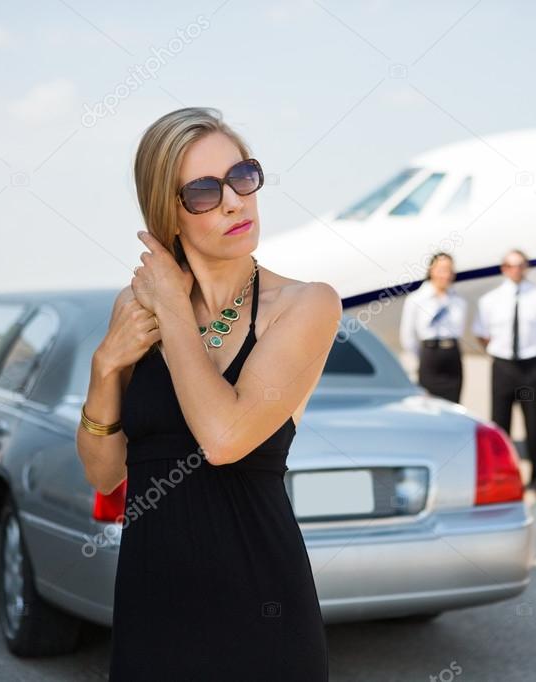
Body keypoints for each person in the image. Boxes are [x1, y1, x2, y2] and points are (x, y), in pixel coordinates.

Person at [75, 107, 341, 681]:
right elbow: (104, 475)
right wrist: (105, 365)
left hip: (262, 607)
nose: (233, 201)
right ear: (168, 211)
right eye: (203, 190)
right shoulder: (135, 308)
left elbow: (223, 439)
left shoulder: (305, 305)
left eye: (242, 176)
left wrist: (171, 306)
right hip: (152, 602)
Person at [473, 249, 536, 495]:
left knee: (534, 425)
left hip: (530, 366)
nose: (516, 270)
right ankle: (501, 477)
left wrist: (532, 350)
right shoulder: (490, 300)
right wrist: (499, 353)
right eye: (511, 266)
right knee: (500, 427)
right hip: (502, 366)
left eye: (521, 265)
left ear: (526, 267)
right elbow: (481, 333)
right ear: (503, 268)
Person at [399, 252, 468, 402]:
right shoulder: (416, 300)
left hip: (452, 357)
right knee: (428, 404)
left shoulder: (458, 301)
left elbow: (459, 331)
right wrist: (423, 356)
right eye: (442, 269)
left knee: (453, 404)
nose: (446, 275)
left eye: (450, 270)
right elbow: (407, 336)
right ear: (431, 270)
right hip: (429, 357)